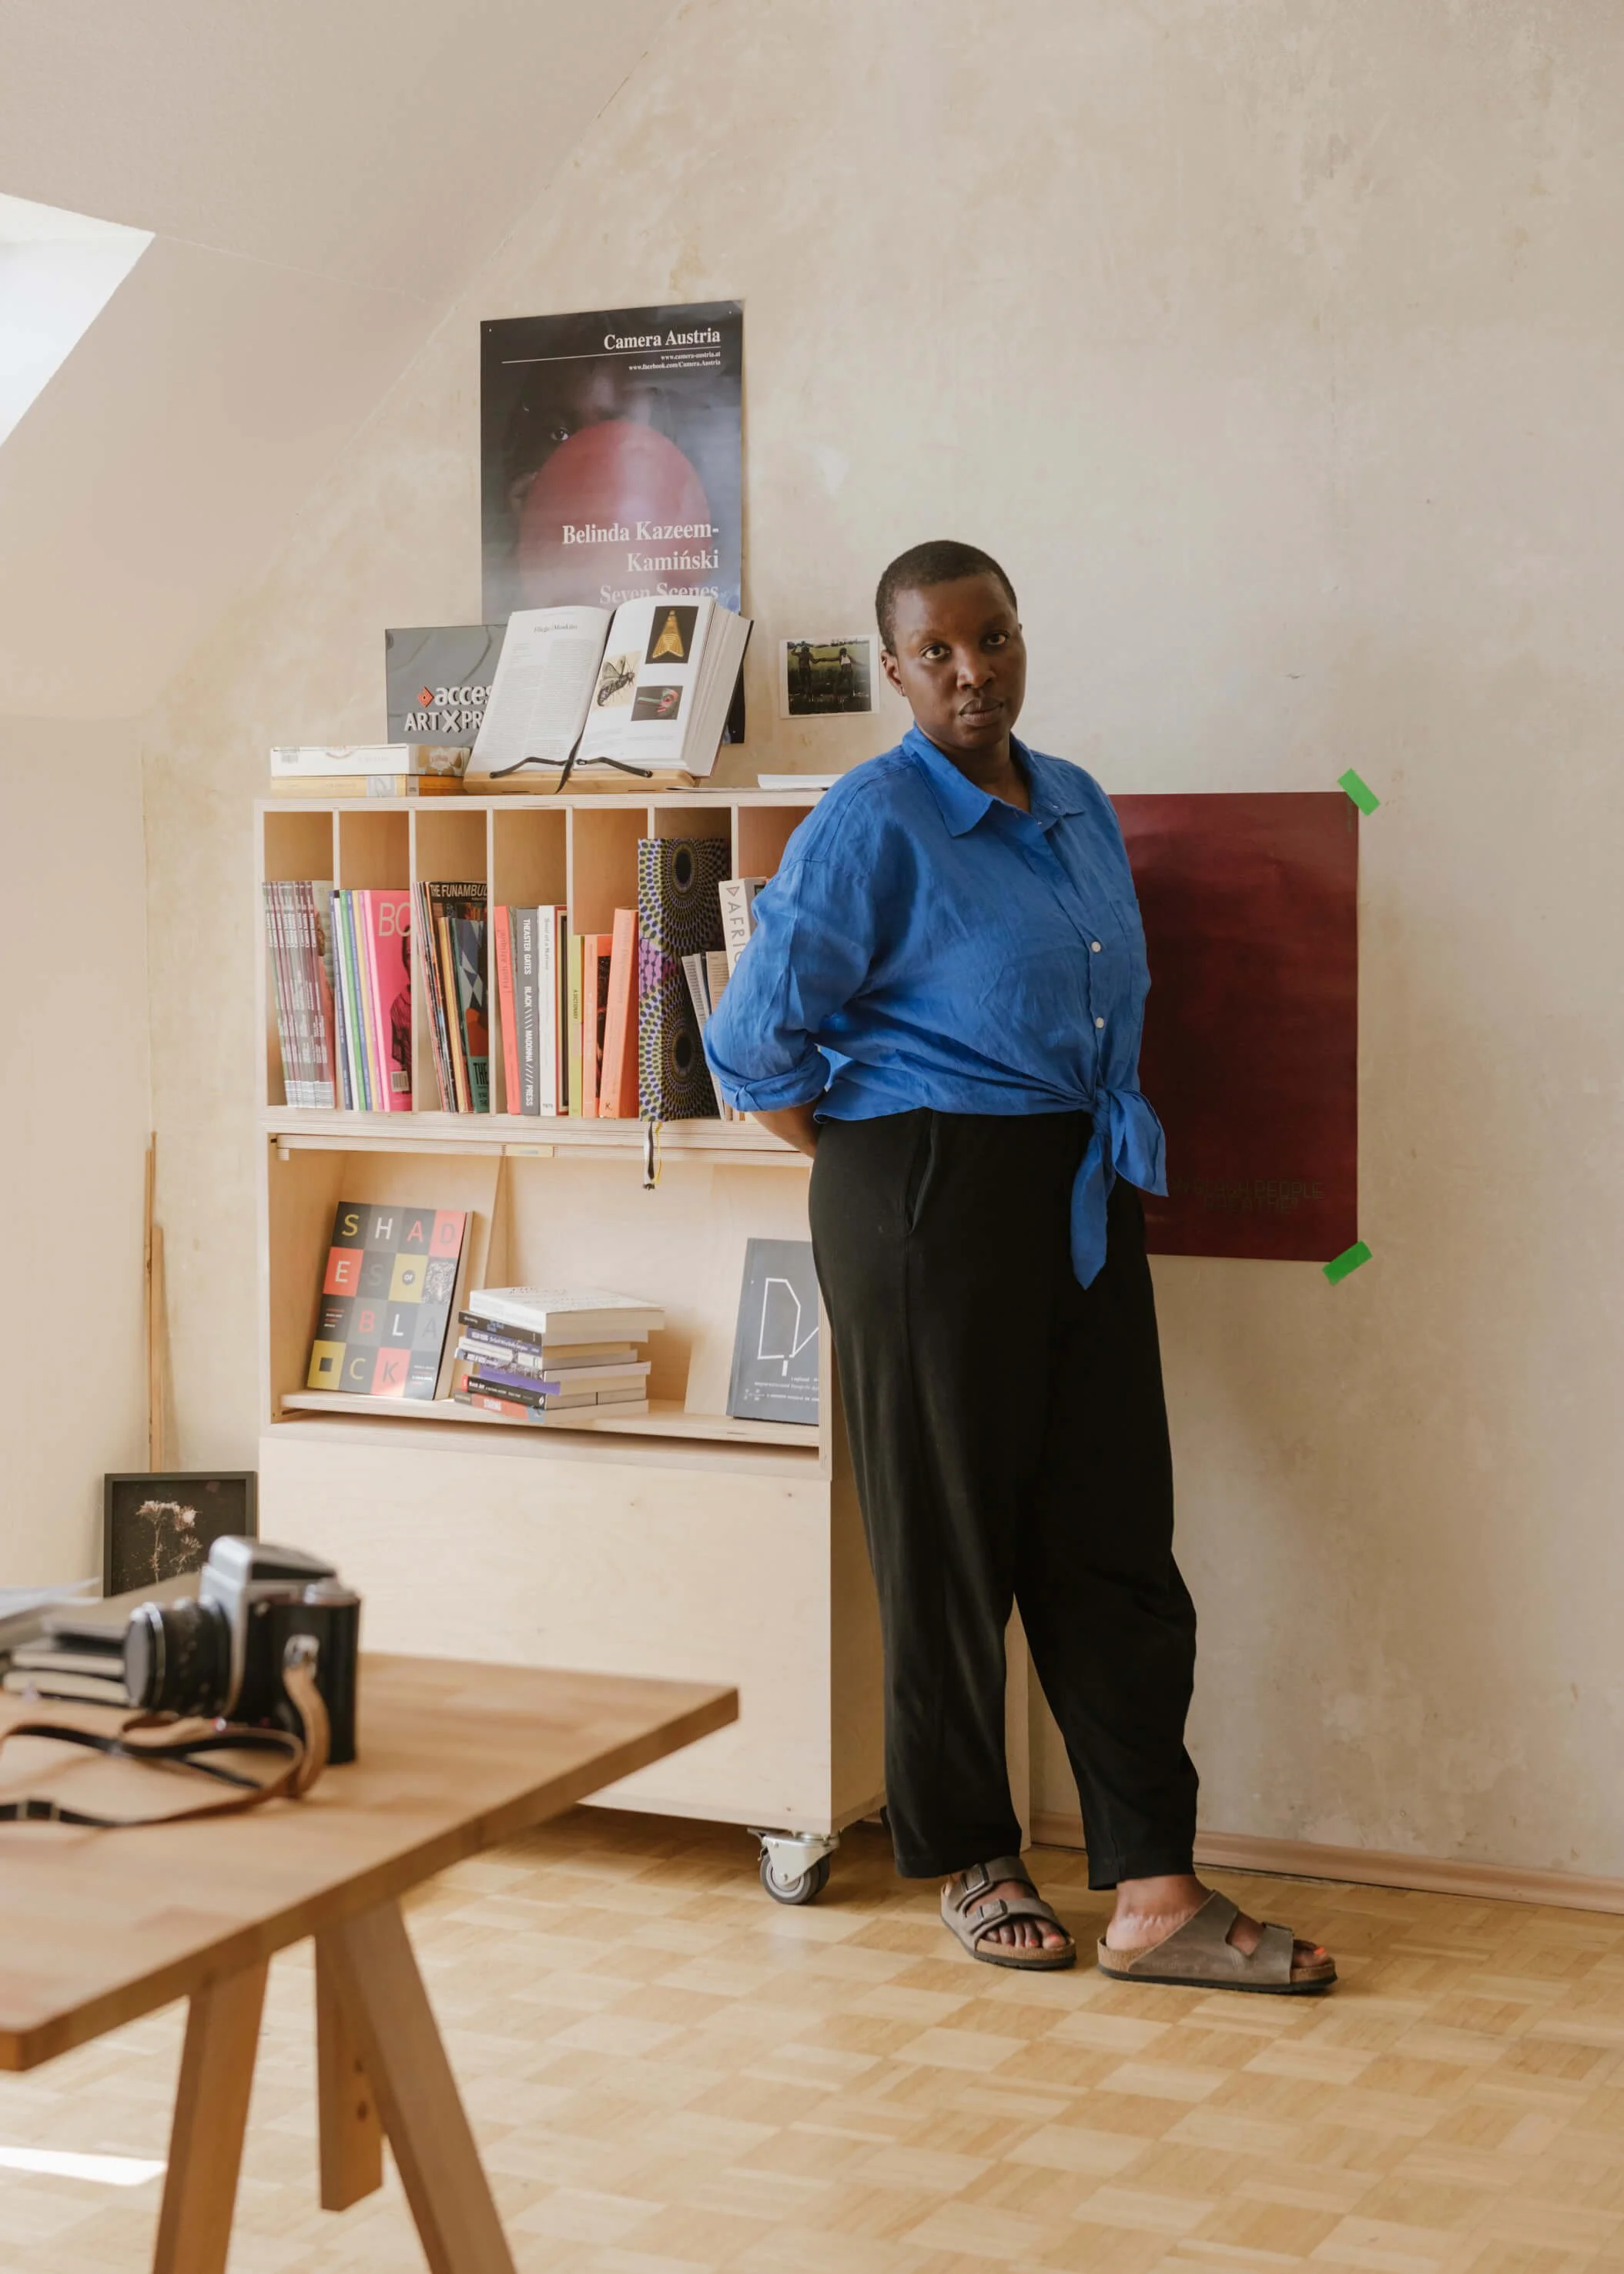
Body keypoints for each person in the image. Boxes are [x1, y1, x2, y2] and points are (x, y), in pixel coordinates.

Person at [704, 540, 1335, 1993]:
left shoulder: (1076, 805)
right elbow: (751, 1047)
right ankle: (973, 1855)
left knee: (1113, 1537)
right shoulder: (869, 823)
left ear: (1020, 638)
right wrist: (884, 1165)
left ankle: (1156, 1891)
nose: (971, 672)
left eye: (991, 640)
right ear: (895, 670)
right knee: (948, 1546)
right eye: (936, 652)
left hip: (1077, 1184)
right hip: (924, 1191)